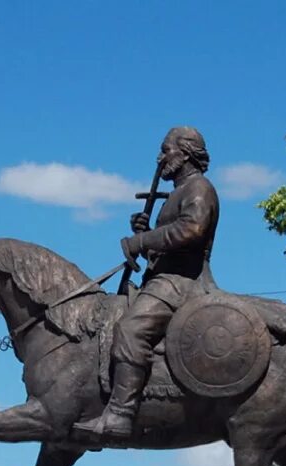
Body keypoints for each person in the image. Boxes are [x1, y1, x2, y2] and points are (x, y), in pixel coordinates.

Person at [73, 125, 220, 439]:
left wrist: (143, 241)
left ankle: (120, 415)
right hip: (163, 278)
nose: (160, 157)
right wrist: (146, 230)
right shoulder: (179, 192)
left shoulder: (200, 188)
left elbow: (191, 231)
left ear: (187, 153)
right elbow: (170, 235)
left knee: (130, 329)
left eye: (166, 150)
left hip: (182, 282)